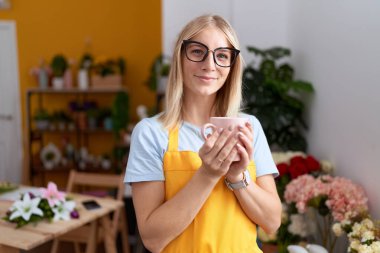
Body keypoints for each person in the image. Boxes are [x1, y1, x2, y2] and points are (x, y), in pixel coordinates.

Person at [125, 14, 282, 253]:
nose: (210, 65)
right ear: (180, 57)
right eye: (198, 52)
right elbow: (152, 239)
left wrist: (238, 178)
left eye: (221, 55)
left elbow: (272, 222)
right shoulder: (152, 133)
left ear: (232, 66)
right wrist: (207, 174)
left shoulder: (249, 127)